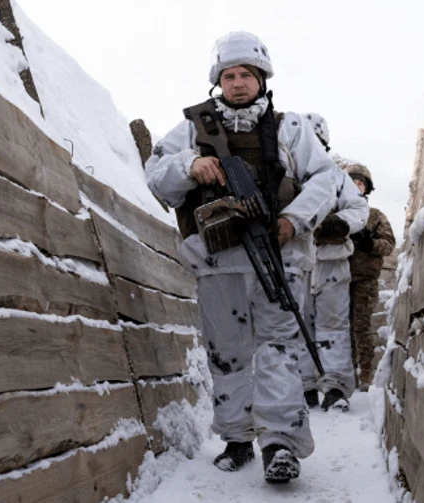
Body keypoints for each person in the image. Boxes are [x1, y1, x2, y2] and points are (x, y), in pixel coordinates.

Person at [145, 31, 339, 483]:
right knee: (227, 354)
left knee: (278, 350)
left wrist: (293, 220)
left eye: (245, 75)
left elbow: (326, 179)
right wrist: (190, 166)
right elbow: (156, 176)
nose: (237, 83)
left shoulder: (291, 128)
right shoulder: (192, 129)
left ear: (261, 78)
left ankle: (279, 444)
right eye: (229, 76)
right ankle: (236, 439)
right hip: (217, 262)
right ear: (219, 81)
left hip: (278, 258)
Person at [299, 113, 368, 411]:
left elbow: (358, 209)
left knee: (334, 326)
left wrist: (338, 223)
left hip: (332, 260)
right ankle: (304, 385)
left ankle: (336, 387)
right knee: (298, 324)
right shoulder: (283, 173)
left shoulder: (336, 177)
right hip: (296, 261)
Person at [345, 164, 396, 391]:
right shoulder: (337, 213)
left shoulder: (374, 216)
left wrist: (369, 244)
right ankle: (346, 374)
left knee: (361, 327)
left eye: (360, 183)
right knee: (341, 329)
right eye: (352, 182)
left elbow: (389, 245)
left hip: (365, 280)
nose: (356, 186)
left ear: (366, 188)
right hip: (338, 279)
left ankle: (365, 374)